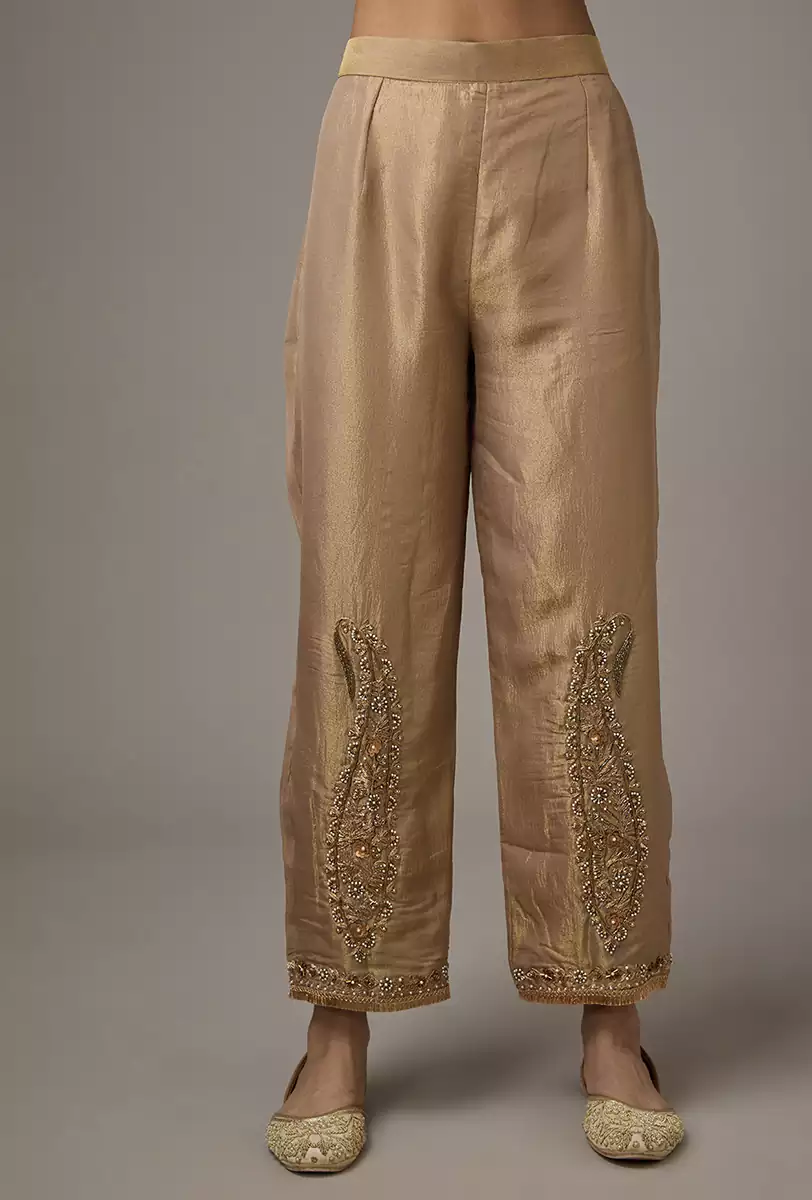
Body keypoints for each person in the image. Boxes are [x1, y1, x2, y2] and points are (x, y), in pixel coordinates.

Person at [265, 0, 683, 1170]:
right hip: (386, 125)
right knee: (361, 577)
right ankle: (338, 1011)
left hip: (566, 124)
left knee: (589, 577)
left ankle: (611, 1009)